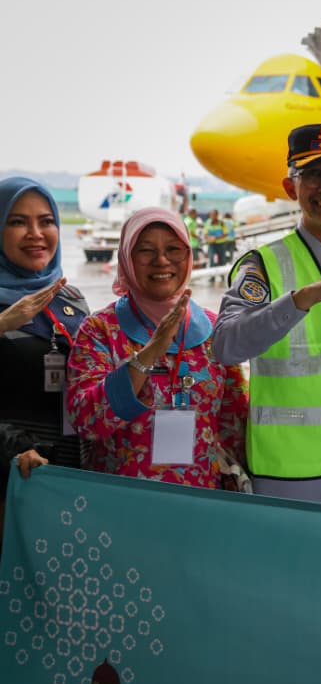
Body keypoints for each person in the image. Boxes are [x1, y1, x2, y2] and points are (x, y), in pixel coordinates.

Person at [210, 124, 321, 509]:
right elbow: (225, 345)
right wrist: (299, 300)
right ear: (290, 187)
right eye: (312, 174)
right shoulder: (262, 265)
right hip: (291, 481)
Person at [67, 208, 248, 487]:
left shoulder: (215, 330)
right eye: (146, 251)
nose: (161, 261)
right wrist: (150, 352)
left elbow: (234, 425)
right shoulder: (100, 330)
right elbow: (87, 421)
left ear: (188, 256)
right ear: (127, 258)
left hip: (201, 501)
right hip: (119, 502)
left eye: (173, 249)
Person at [0, 177, 90, 552]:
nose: (35, 234)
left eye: (47, 220)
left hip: (69, 475)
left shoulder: (71, 298)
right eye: (18, 221)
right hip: (11, 475)